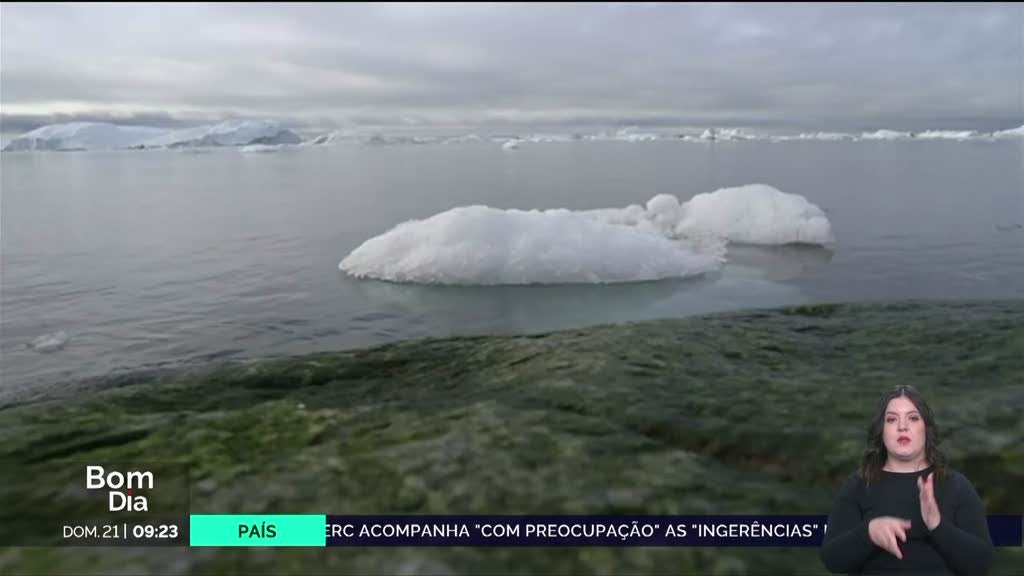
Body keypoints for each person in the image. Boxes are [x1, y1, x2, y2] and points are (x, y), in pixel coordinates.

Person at [820, 385, 993, 575]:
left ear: (926, 428)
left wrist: (937, 526)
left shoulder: (956, 486)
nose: (902, 426)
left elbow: (981, 563)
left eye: (913, 418)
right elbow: (832, 560)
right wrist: (869, 533)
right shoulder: (858, 486)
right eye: (892, 419)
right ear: (881, 430)